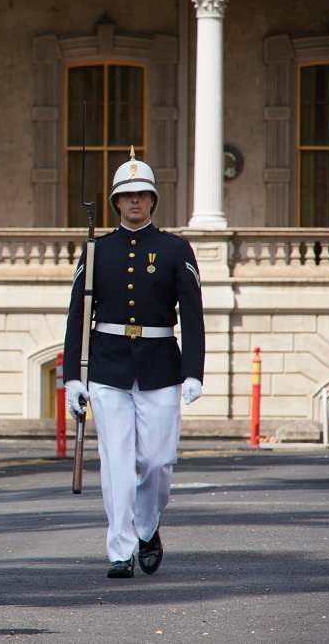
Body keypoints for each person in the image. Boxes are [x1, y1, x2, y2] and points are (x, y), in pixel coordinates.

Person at [63, 147, 205, 579]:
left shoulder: (175, 249)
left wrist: (194, 370)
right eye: (127, 196)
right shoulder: (96, 251)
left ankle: (147, 526)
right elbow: (77, 315)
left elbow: (192, 315)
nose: (135, 202)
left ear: (153, 200)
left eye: (142, 195)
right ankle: (120, 547)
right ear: (116, 202)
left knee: (158, 463)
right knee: (117, 462)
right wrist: (72, 376)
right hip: (108, 368)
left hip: (161, 365)